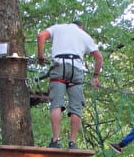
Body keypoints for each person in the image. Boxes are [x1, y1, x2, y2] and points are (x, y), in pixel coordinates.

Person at [37, 20, 103, 149]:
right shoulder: (84, 35)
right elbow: (99, 58)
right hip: (76, 69)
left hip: (59, 66)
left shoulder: (58, 27)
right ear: (81, 27)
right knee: (76, 107)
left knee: (56, 103)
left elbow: (41, 36)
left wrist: (40, 56)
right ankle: (72, 142)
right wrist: (95, 76)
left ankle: (56, 140)